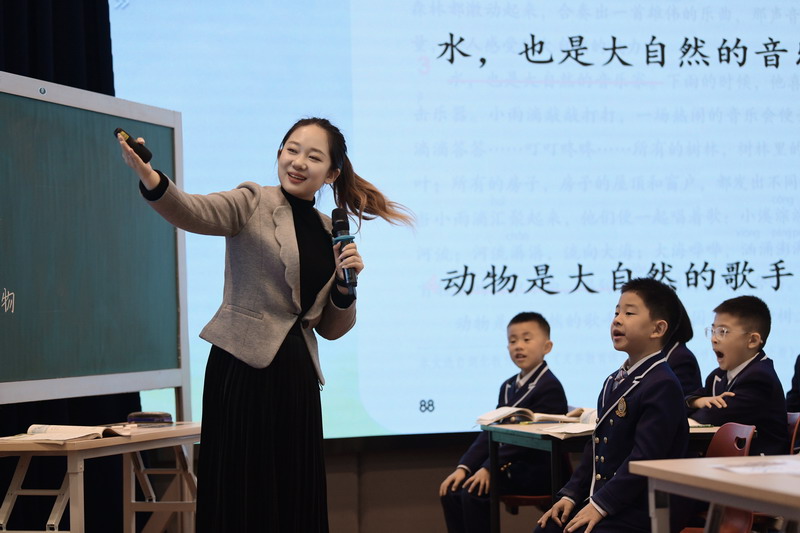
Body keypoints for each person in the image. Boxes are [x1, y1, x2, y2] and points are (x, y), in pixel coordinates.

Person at [116, 117, 412, 532]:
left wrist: (347, 288)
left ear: (331, 173)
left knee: (293, 493)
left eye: (313, 157)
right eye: (292, 150)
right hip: (242, 370)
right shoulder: (252, 201)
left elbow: (330, 327)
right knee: (243, 493)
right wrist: (150, 176)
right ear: (279, 154)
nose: (298, 162)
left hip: (296, 378)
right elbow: (192, 210)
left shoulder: (330, 232)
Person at [535, 278, 689, 533]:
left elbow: (645, 460)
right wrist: (571, 495)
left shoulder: (662, 383)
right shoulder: (614, 380)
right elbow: (595, 448)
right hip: (611, 499)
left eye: (629, 313)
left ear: (657, 329)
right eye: (616, 312)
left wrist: (600, 505)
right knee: (547, 527)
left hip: (645, 507)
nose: (617, 320)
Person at [439, 312, 568, 533]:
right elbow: (492, 431)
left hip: (535, 471)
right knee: (452, 490)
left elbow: (527, 441)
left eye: (527, 339)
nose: (519, 346)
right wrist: (464, 467)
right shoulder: (508, 386)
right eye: (513, 340)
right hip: (508, 466)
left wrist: (489, 468)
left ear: (547, 346)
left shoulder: (549, 386)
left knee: (473, 492)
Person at [686, 295, 788, 456]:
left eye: (723, 332)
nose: (713, 339)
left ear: (752, 340)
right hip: (726, 461)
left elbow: (715, 416)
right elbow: (684, 402)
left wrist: (691, 414)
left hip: (760, 464)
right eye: (713, 331)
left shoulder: (760, 377)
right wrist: (697, 401)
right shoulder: (717, 376)